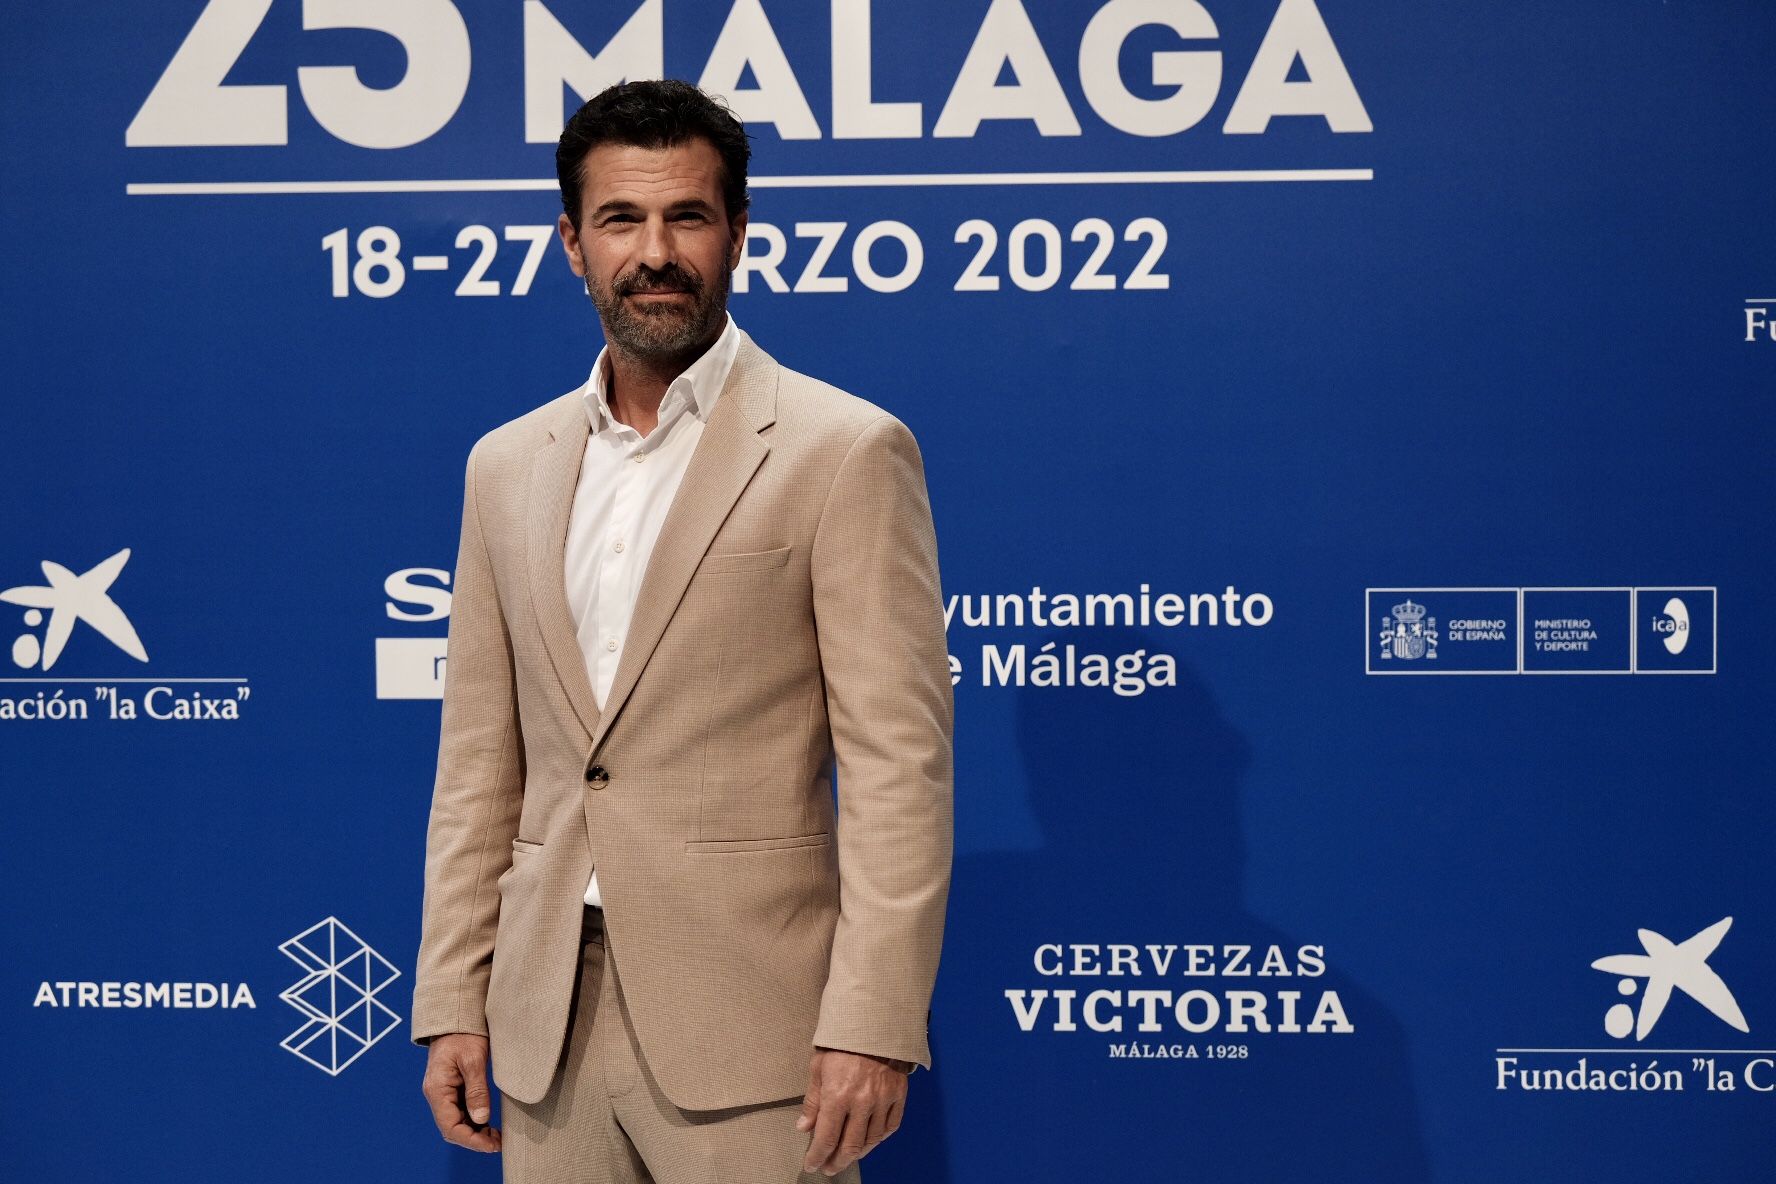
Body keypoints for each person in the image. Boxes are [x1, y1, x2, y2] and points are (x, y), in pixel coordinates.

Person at [409, 78, 954, 1183]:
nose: (655, 252)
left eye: (687, 217)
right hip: (546, 1023)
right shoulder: (504, 465)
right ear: (572, 241)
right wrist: (452, 995)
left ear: (738, 232)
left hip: (758, 1033)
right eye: (621, 219)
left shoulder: (841, 449)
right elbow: (478, 762)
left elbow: (899, 765)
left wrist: (874, 1020)